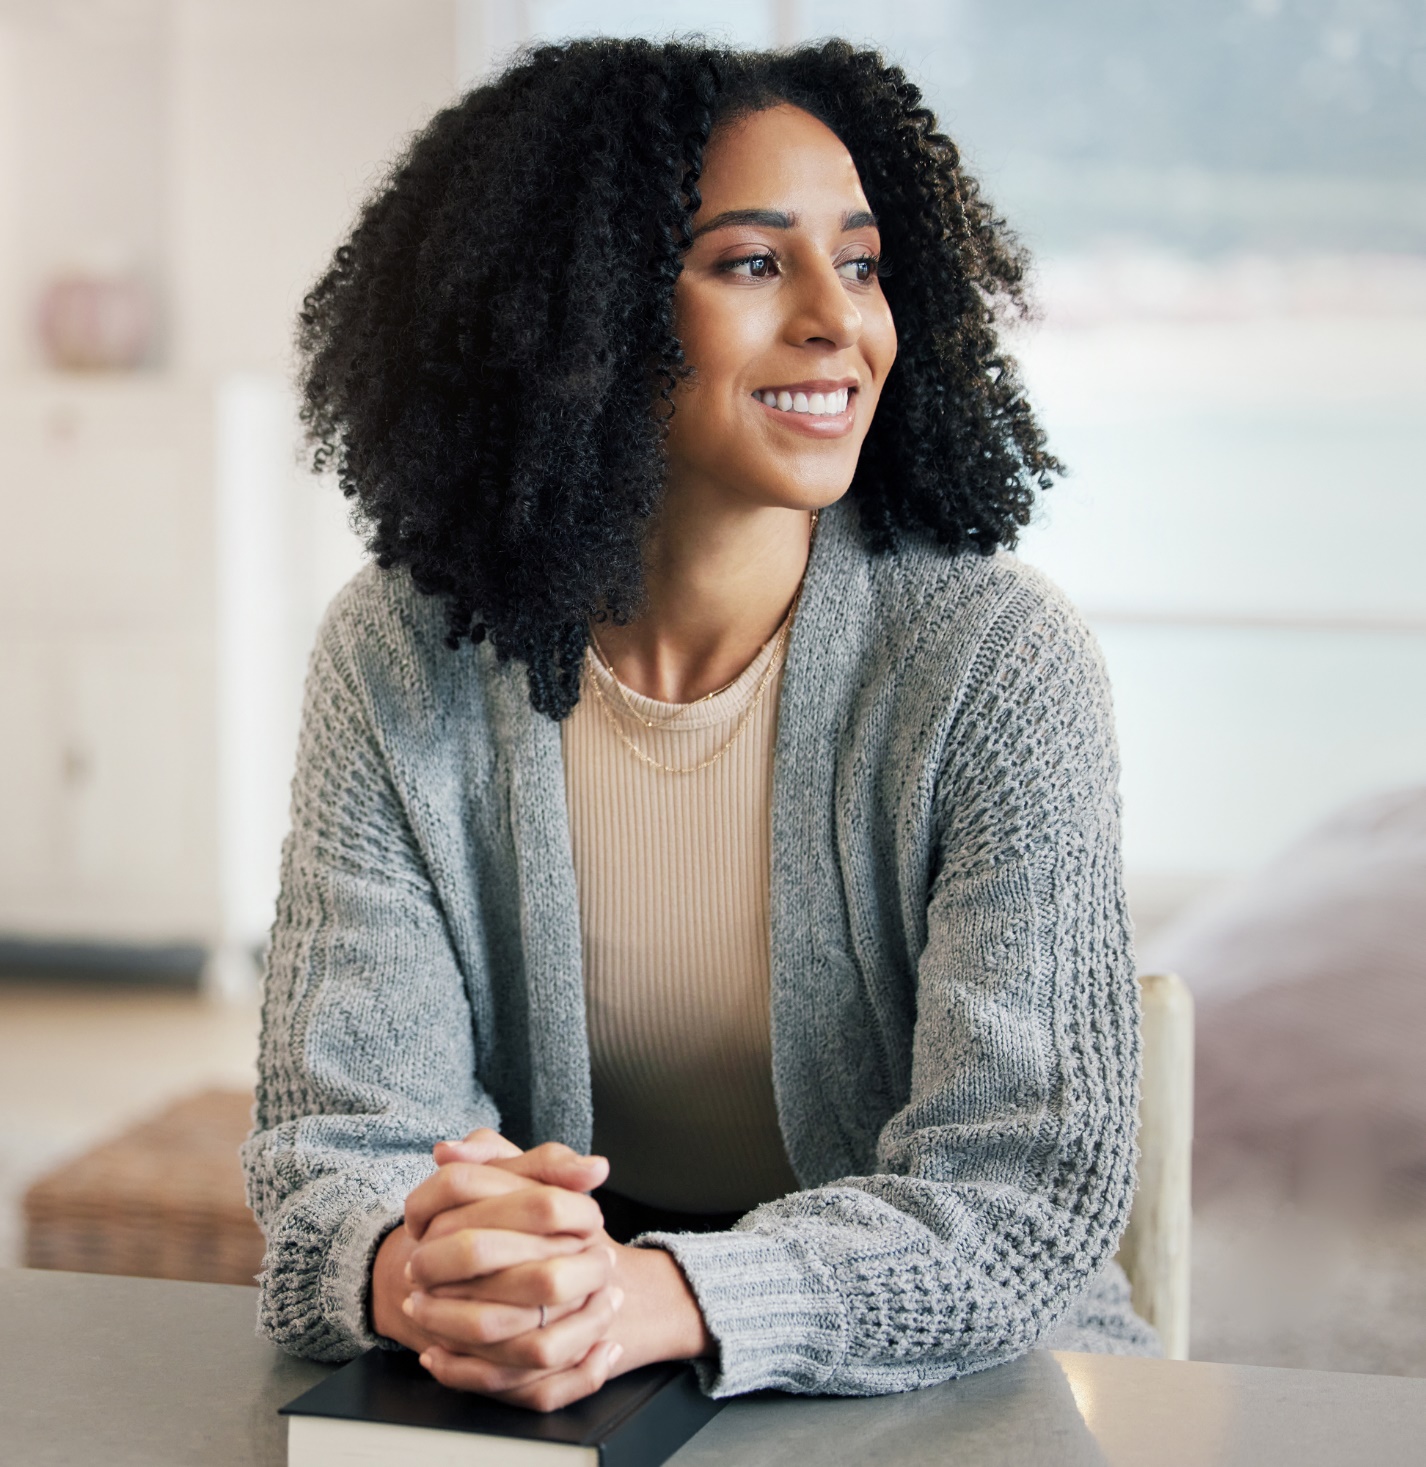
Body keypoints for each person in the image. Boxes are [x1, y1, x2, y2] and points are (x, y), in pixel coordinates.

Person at [242, 37, 1157, 1414]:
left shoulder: (994, 664)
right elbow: (343, 1134)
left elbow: (1021, 1198)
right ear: (577, 313)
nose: (836, 321)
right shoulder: (400, 654)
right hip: (568, 1381)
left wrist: (662, 1293)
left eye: (857, 262)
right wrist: (414, 1260)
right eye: (750, 263)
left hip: (967, 1392)